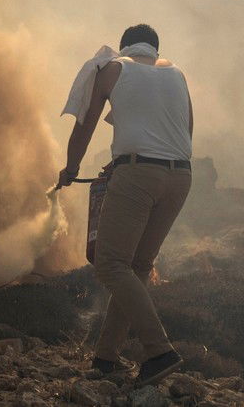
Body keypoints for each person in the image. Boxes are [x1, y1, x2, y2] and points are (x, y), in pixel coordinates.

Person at [56, 23, 194, 386]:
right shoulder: (177, 74)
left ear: (124, 48)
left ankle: (160, 350)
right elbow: (184, 131)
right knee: (137, 266)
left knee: (110, 264)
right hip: (181, 176)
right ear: (155, 50)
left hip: (139, 176)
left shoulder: (114, 69)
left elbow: (84, 128)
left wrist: (70, 170)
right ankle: (106, 358)